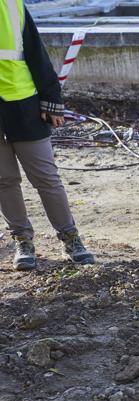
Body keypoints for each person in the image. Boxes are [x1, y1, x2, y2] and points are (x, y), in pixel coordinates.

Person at [3, 3, 93, 271]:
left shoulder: (10, 5)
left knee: (46, 177)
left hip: (23, 103)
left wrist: (52, 99)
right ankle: (22, 241)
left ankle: (70, 238)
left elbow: (35, 52)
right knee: (4, 179)